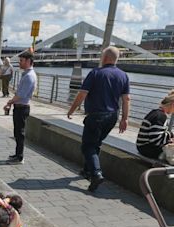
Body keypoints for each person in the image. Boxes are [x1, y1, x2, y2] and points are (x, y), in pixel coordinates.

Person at [67, 46, 130, 192]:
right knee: (96, 144)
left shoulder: (95, 73)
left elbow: (82, 94)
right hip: (112, 116)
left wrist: (72, 109)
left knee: (88, 146)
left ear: (105, 58)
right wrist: (124, 119)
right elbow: (126, 99)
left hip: (96, 116)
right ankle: (87, 171)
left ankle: (96, 174)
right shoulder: (123, 75)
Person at [4, 51, 37, 165]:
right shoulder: (27, 74)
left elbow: (21, 95)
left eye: (21, 61)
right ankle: (17, 155)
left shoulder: (29, 76)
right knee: (17, 133)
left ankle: (20, 157)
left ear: (28, 61)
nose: (20, 63)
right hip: (20, 107)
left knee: (20, 133)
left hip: (22, 108)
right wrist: (12, 102)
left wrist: (10, 101)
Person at [136, 93, 174, 159]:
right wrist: (170, 136)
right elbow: (156, 141)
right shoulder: (161, 117)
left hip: (143, 147)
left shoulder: (155, 113)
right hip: (148, 149)